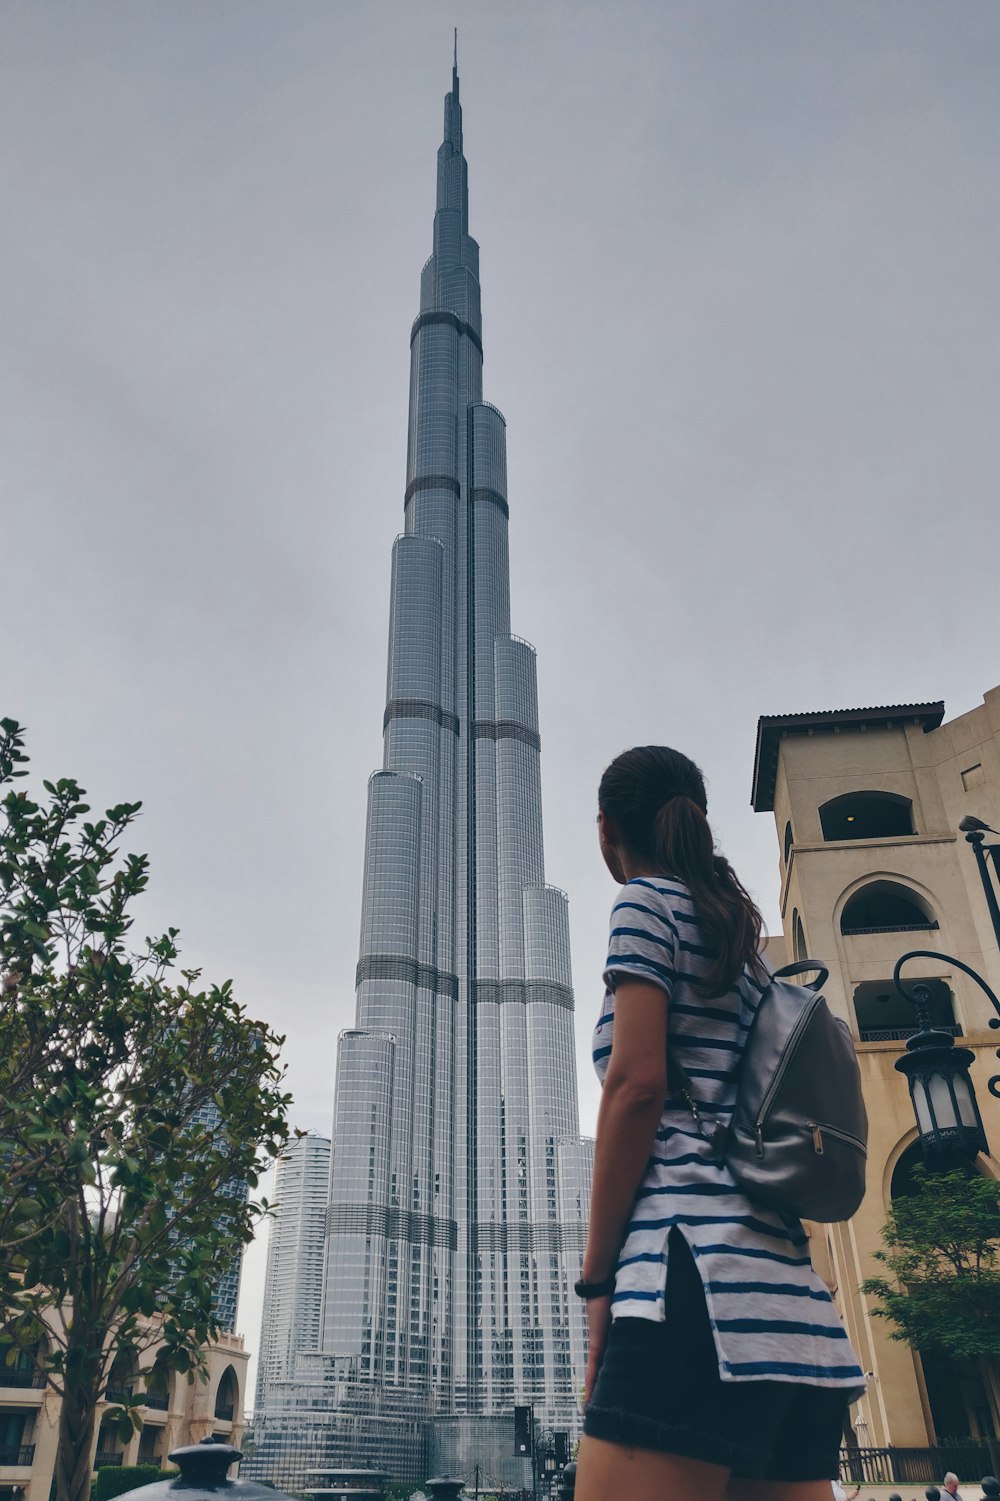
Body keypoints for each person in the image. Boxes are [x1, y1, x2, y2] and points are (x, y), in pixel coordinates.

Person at [574, 746, 866, 1501]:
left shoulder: (645, 903)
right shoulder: (743, 943)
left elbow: (637, 1086)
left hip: (691, 1291)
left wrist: (596, 1280)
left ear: (607, 830)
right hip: (793, 1315)